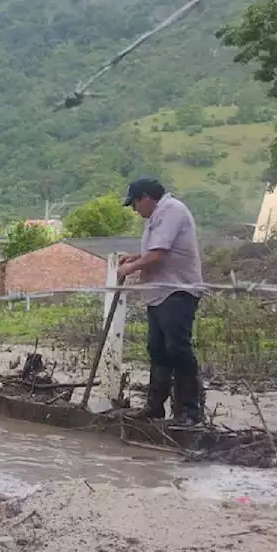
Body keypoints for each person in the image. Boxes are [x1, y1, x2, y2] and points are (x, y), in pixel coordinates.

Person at [117, 176, 205, 426]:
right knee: (157, 350)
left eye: (134, 204)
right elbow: (154, 251)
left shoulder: (171, 211)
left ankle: (189, 411)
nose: (135, 210)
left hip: (177, 290)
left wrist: (129, 268)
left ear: (145, 198)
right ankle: (155, 407)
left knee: (178, 349)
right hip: (158, 293)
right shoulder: (156, 217)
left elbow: (158, 254)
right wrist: (135, 257)